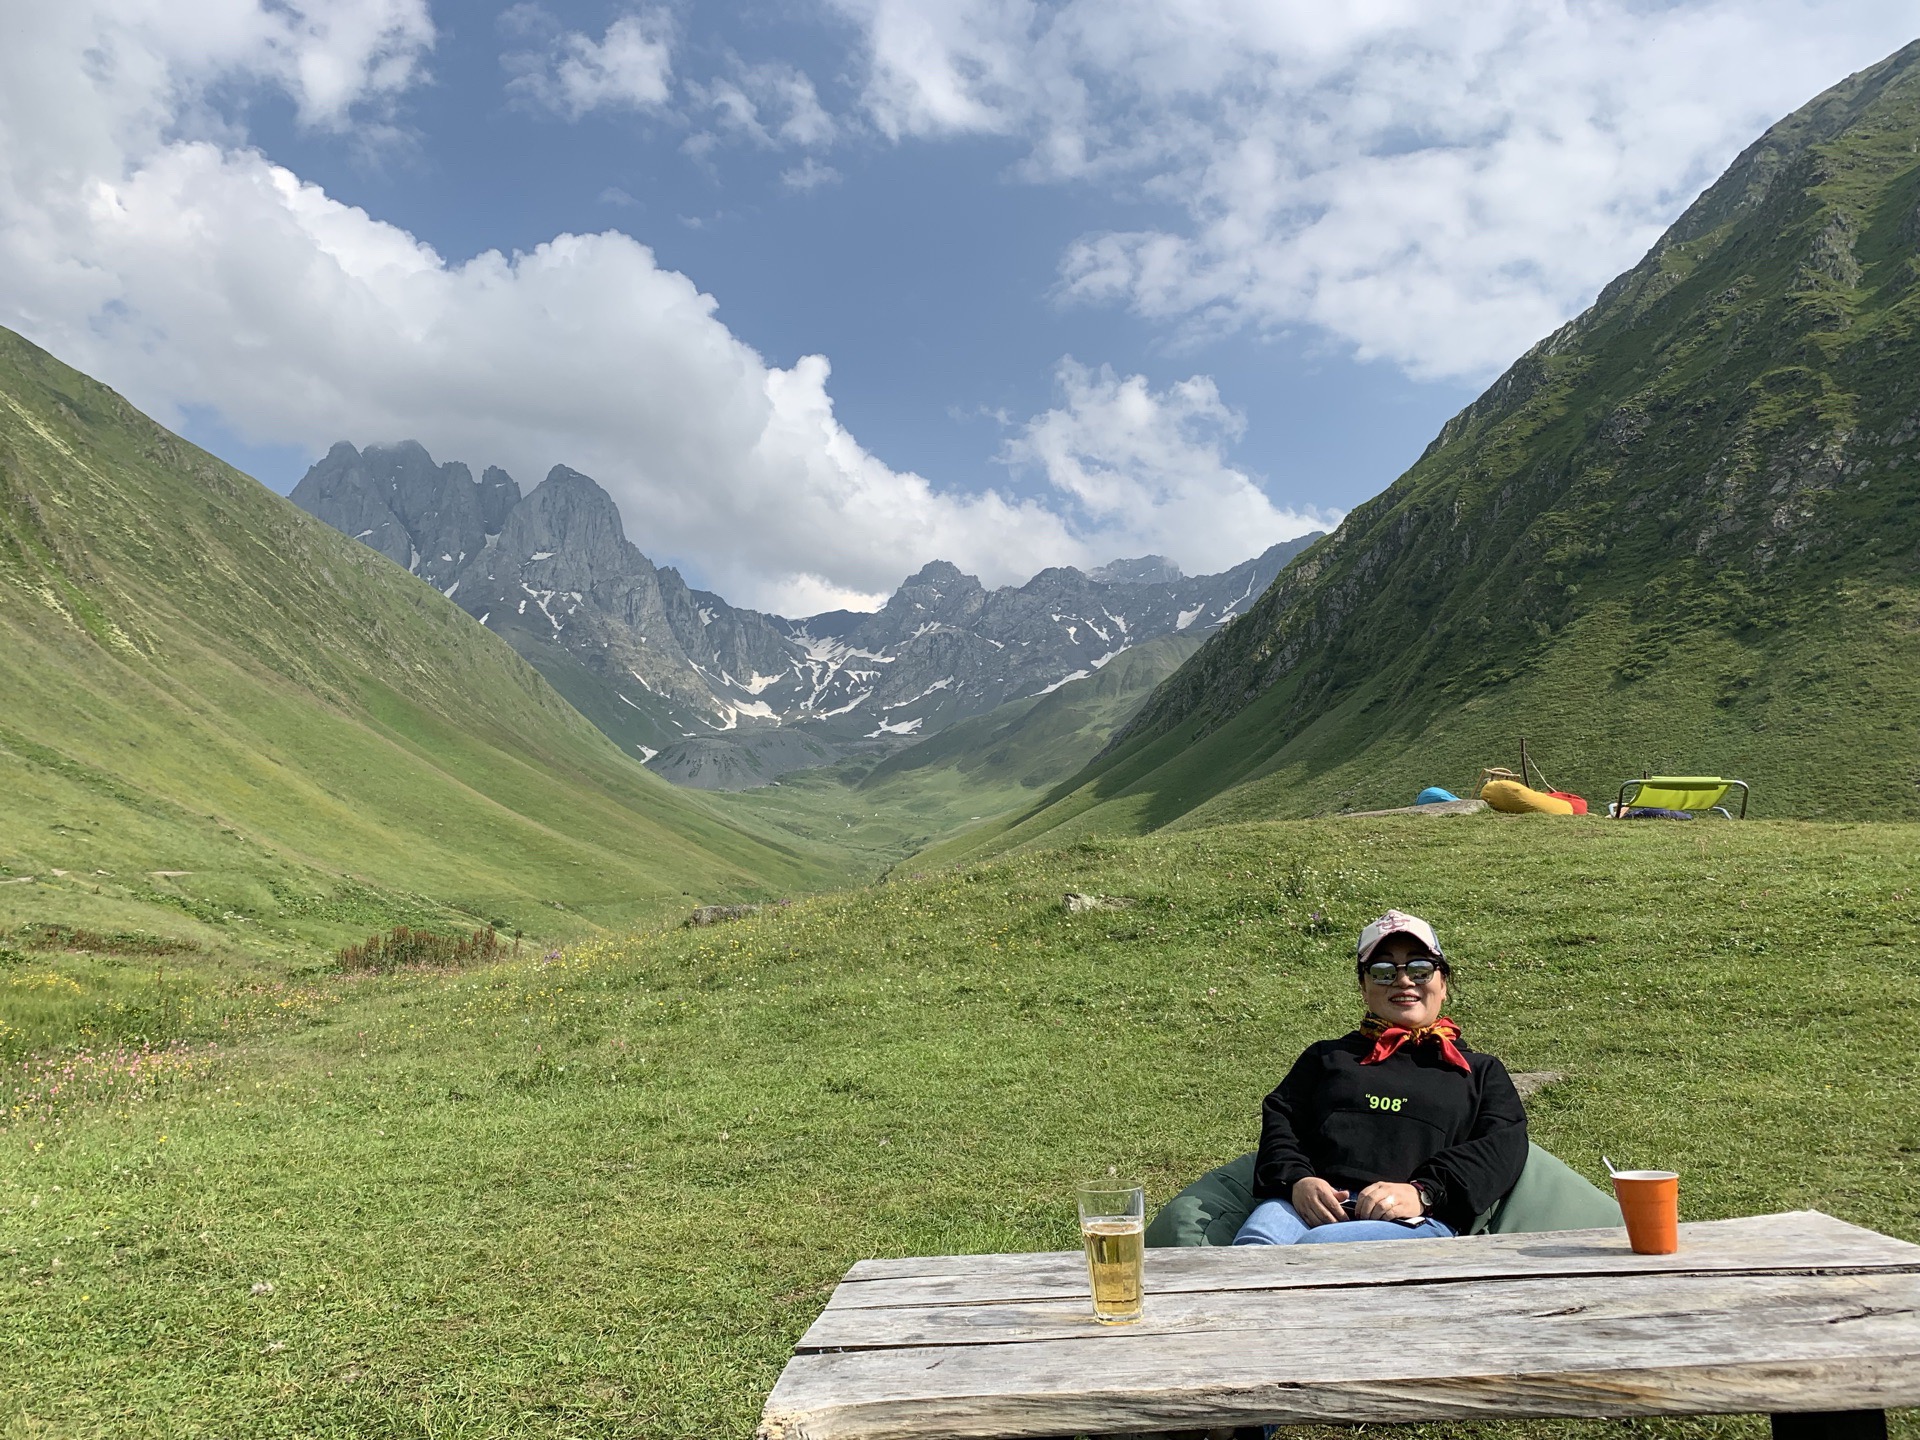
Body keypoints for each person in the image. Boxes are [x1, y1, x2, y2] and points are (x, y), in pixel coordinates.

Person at [1234, 909, 1527, 1245]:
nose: (1403, 981)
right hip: (1310, 1207)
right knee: (1256, 1244)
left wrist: (1424, 1193)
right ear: (1364, 987)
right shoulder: (1327, 1057)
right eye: (1384, 971)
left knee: (1320, 1249)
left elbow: (1501, 1147)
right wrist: (1298, 1182)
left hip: (1416, 1219)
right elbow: (1281, 1122)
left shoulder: (1478, 1071)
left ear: (1442, 983)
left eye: (1419, 969)